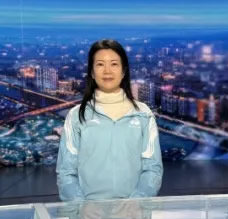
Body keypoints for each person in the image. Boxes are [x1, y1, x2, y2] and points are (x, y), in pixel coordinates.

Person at [57, 39, 162, 203]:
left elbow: (153, 169)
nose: (107, 71)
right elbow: (66, 173)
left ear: (124, 71)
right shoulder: (76, 116)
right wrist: (82, 207)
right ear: (92, 72)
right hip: (89, 214)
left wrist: (137, 203)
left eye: (114, 64)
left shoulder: (143, 114)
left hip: (134, 213)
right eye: (100, 64)